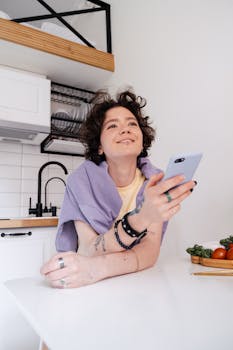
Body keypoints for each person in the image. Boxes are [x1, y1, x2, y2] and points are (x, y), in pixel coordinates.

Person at [41, 90, 196, 288]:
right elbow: (87, 249)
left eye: (132, 124)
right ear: (99, 146)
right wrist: (140, 219)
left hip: (138, 282)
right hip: (88, 285)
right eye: (113, 125)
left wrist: (98, 268)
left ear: (142, 140)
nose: (125, 129)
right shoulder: (80, 182)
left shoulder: (155, 181)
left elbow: (149, 251)